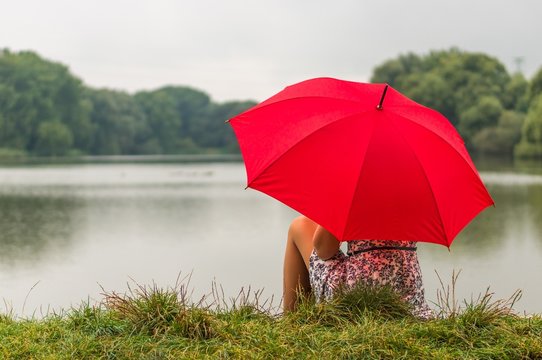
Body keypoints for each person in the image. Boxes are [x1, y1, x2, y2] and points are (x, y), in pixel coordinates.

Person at [283, 215, 433, 319]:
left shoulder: (355, 192)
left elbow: (324, 250)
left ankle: (292, 324)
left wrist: (335, 201)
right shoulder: (411, 187)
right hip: (409, 297)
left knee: (299, 225)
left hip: (355, 297)